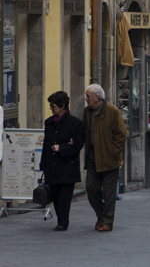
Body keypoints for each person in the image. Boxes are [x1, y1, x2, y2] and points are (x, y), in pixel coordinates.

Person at [83, 84, 128, 232]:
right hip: (93, 156)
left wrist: (113, 151)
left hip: (109, 158)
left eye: (88, 96)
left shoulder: (112, 111)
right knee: (91, 188)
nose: (86, 99)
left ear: (97, 97)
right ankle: (101, 215)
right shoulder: (87, 112)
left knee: (109, 193)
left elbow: (121, 134)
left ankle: (107, 222)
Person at [39, 91, 85, 231]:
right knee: (55, 195)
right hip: (52, 166)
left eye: (53, 106)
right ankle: (61, 219)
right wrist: (43, 165)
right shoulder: (49, 123)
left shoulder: (75, 123)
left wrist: (62, 148)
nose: (51, 109)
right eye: (50, 106)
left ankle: (63, 222)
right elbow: (46, 146)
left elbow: (77, 144)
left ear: (62, 106)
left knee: (65, 197)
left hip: (67, 166)